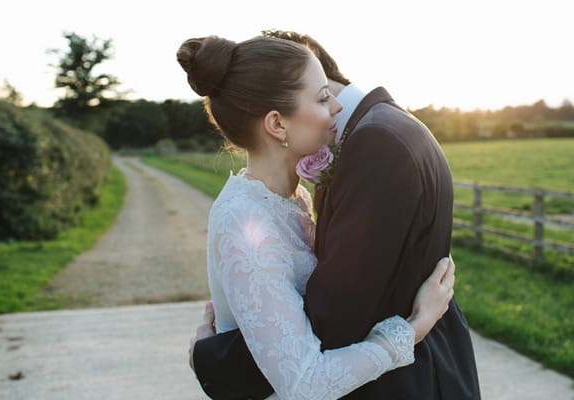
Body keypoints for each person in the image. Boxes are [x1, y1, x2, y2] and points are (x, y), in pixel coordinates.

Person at [188, 31, 482, 400]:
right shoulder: (243, 220)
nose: (338, 108)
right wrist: (415, 328)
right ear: (278, 124)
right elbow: (305, 384)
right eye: (323, 97)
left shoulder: (294, 199)